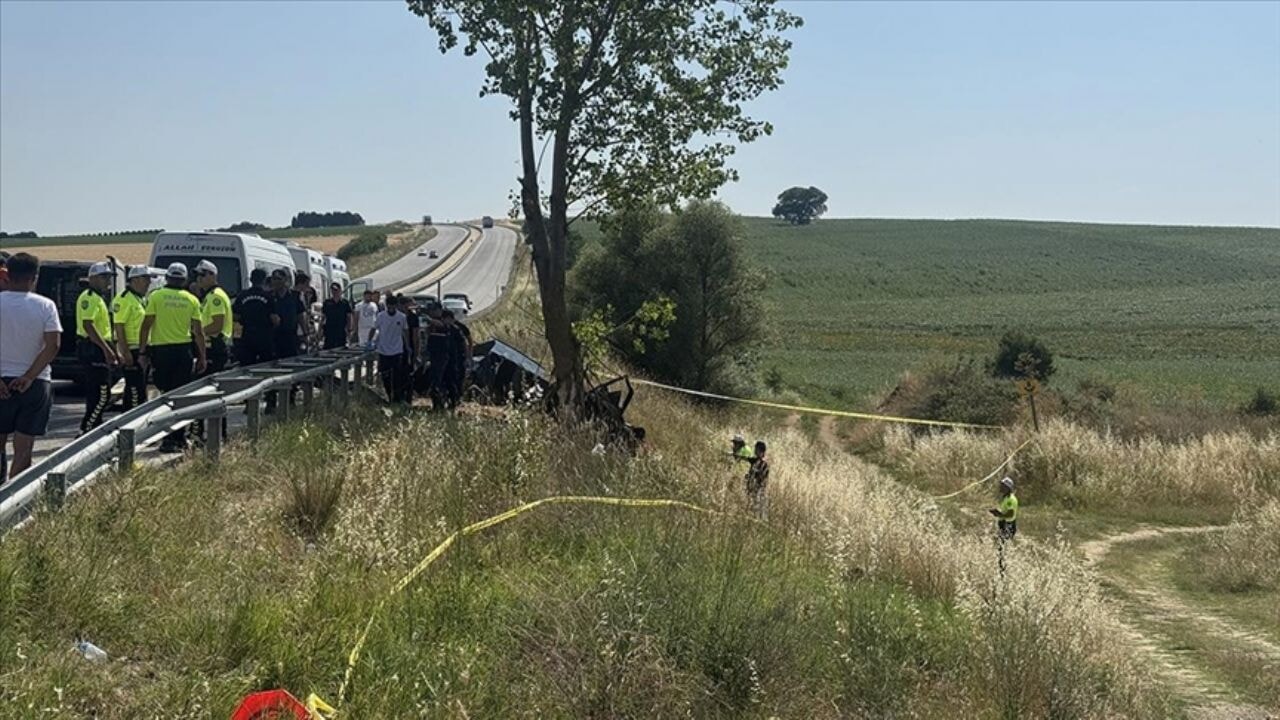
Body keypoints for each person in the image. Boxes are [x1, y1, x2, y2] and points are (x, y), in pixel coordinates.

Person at [0, 253, 62, 484]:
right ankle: (13, 500)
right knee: (23, 449)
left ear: (8, 274)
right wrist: (28, 376)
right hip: (35, 384)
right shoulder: (45, 305)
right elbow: (53, 345)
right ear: (34, 278)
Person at [139, 263, 207, 452]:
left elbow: (146, 326)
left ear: (167, 278)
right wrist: (202, 356)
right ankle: (178, 437)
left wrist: (143, 352)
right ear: (184, 280)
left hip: (161, 351)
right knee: (180, 396)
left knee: (164, 394)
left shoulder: (156, 296)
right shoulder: (192, 300)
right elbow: (199, 333)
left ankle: (166, 437)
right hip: (183, 352)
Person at [76, 262, 119, 434]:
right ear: (92, 278)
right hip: (93, 349)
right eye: (104, 277)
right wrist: (106, 350)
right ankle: (87, 429)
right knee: (102, 394)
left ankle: (94, 428)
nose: (107, 281)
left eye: (109, 277)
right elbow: (88, 325)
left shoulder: (98, 298)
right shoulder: (89, 297)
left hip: (99, 346)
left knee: (98, 393)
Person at [112, 266, 152, 411]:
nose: (148, 282)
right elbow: (119, 326)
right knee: (135, 391)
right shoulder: (124, 299)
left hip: (142, 349)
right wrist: (125, 352)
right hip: (131, 350)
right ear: (134, 280)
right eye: (145, 279)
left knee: (140, 389)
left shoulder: (141, 299)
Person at [232, 268, 278, 366]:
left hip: (247, 336)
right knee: (266, 367)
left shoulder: (242, 295)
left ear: (251, 280)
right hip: (265, 337)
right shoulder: (268, 297)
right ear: (264, 280)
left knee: (246, 367)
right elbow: (274, 319)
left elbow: (235, 316)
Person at [195, 260, 232, 374]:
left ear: (213, 276)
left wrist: (197, 333)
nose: (199, 278)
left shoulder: (216, 296)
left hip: (215, 346)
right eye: (197, 275)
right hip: (209, 346)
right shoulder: (208, 295)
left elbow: (217, 325)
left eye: (202, 275)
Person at [373, 295, 410, 403]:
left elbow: (405, 332)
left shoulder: (401, 317)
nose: (391, 308)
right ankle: (389, 395)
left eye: (393, 306)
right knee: (385, 375)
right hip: (383, 350)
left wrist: (407, 346)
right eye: (389, 306)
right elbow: (374, 329)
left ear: (396, 306)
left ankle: (396, 398)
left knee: (397, 376)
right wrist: (370, 342)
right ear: (387, 306)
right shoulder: (381, 316)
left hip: (397, 350)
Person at [423, 302, 452, 410]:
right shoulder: (431, 325)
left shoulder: (443, 320)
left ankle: (441, 402)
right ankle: (436, 403)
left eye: (433, 310)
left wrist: (429, 320)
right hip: (433, 356)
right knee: (432, 379)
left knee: (438, 380)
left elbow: (442, 325)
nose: (431, 312)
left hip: (442, 356)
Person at [271, 269, 305, 361]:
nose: (275, 282)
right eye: (273, 279)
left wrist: (305, 333)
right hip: (274, 337)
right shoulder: (269, 296)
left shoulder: (295, 296)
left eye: (278, 279)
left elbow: (300, 316)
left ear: (285, 280)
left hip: (290, 337)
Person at [443, 309, 472, 408]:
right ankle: (448, 398)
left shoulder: (457, 329)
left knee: (457, 378)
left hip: (457, 358)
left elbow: (465, 342)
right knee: (447, 379)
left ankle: (456, 398)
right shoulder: (441, 328)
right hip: (446, 358)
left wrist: (468, 356)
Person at [990, 476, 1019, 572]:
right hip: (1003, 524)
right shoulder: (1005, 498)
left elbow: (1010, 514)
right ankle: (1001, 567)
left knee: (1003, 548)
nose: (1000, 487)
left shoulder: (1012, 499)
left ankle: (1003, 569)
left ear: (1008, 487)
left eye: (1003, 486)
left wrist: (999, 514)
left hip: (1009, 526)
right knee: (1000, 547)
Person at [399, 295, 421, 403]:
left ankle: (408, 396)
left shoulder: (413, 317)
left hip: (408, 349)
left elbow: (416, 336)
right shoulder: (399, 316)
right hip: (397, 348)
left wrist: (416, 352)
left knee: (408, 373)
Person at [321, 282, 354, 350]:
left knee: (341, 348)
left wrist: (349, 329)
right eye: (332, 290)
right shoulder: (327, 302)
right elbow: (323, 317)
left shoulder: (345, 303)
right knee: (328, 348)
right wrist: (319, 331)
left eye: (336, 290)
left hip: (341, 329)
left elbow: (349, 316)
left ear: (340, 290)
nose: (334, 292)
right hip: (329, 330)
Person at [745, 440, 770, 519]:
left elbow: (763, 478)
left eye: (757, 449)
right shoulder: (754, 460)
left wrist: (755, 475)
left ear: (762, 452)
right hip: (750, 488)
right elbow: (745, 458)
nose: (755, 451)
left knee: (756, 508)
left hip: (758, 490)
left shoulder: (764, 464)